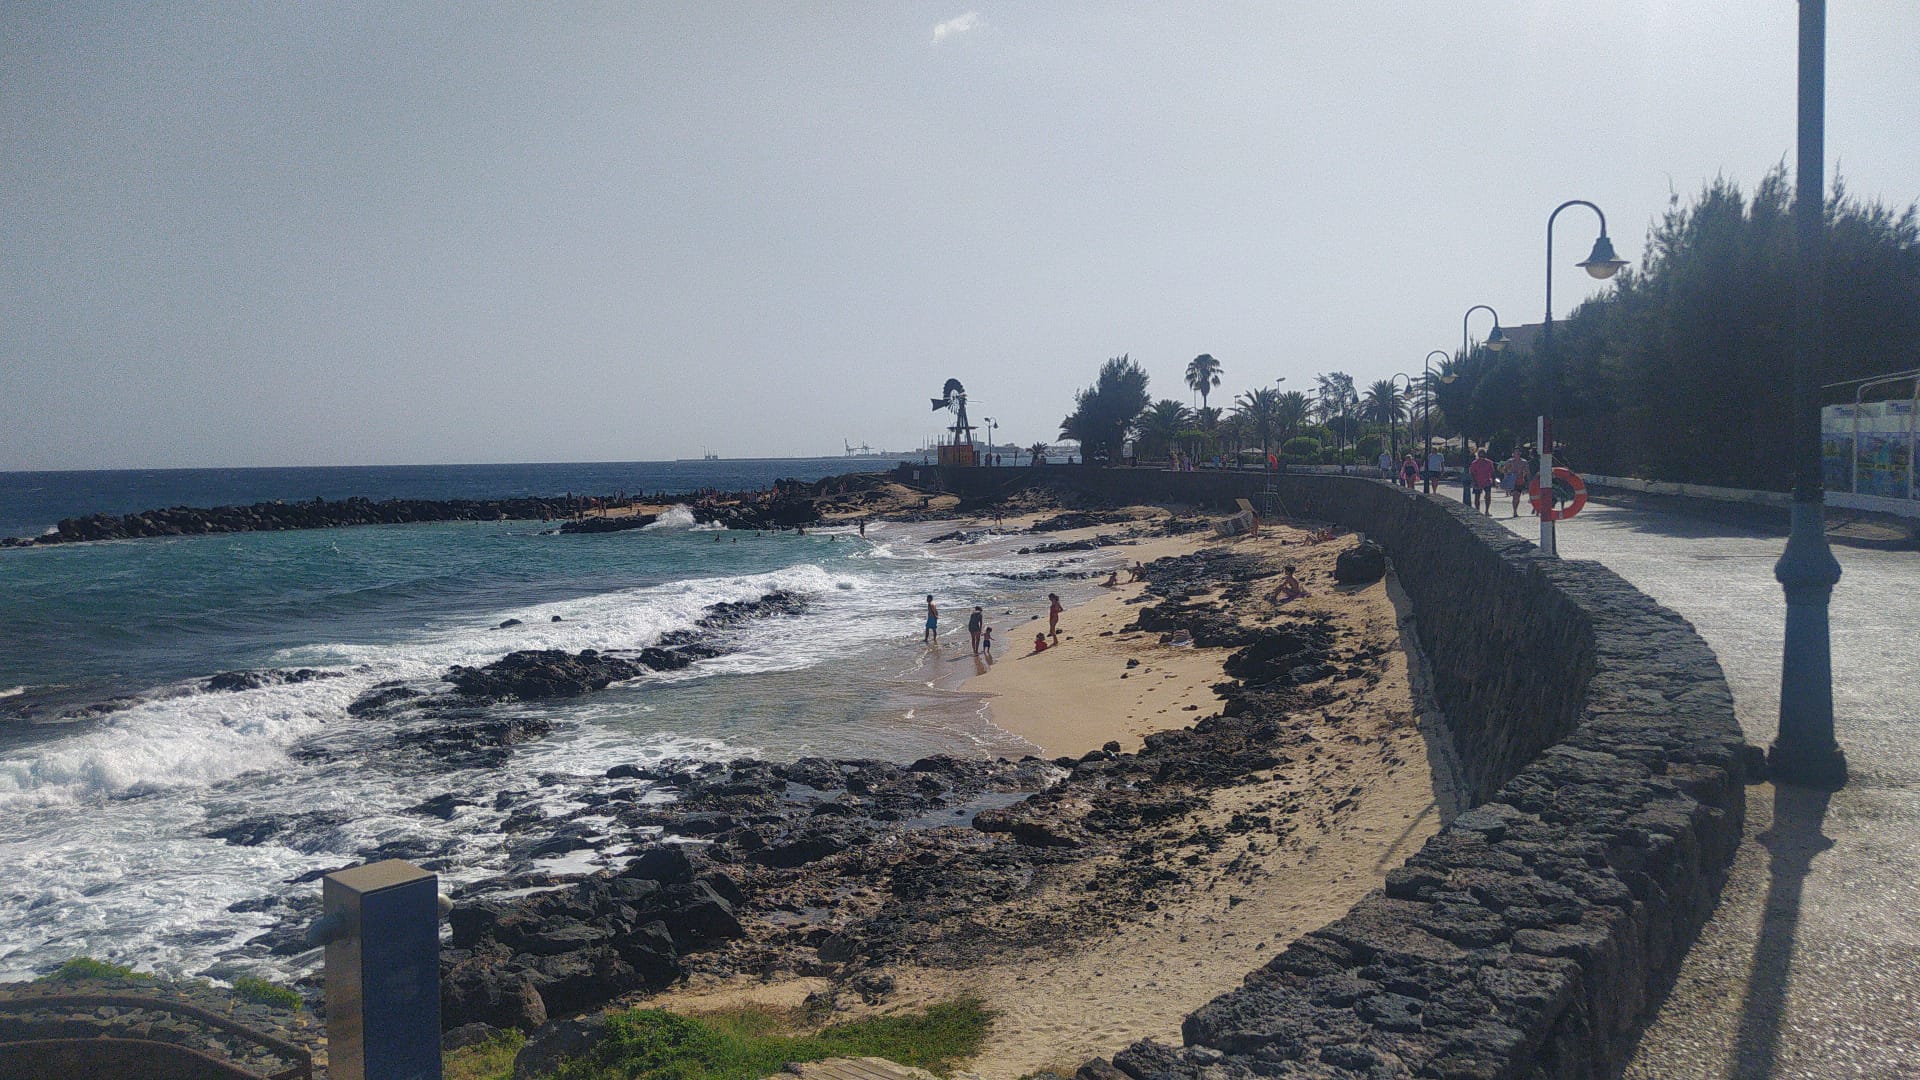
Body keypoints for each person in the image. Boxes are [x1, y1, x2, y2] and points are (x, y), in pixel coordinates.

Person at [1503, 449, 1531, 517]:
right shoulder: (1510, 461)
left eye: (1518, 453)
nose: (1517, 454)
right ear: (1513, 454)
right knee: (1515, 496)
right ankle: (1514, 511)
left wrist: (1527, 478)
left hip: (1520, 480)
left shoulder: (1524, 462)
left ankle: (1515, 509)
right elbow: (1504, 469)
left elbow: (1527, 471)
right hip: (1512, 480)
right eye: (1516, 453)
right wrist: (1507, 476)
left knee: (1517, 496)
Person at [1469, 449, 1498, 514]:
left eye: (1483, 453)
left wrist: (1494, 480)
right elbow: (1472, 473)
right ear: (1478, 454)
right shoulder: (1474, 463)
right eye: (1480, 453)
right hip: (1477, 481)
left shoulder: (1489, 462)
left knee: (1488, 496)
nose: (1482, 455)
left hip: (1487, 481)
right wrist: (1474, 482)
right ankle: (1477, 510)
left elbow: (1492, 472)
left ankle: (1487, 511)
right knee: (1477, 497)